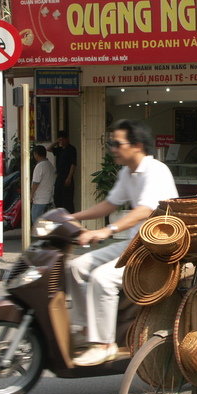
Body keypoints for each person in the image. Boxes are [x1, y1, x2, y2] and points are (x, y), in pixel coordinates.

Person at [67, 119, 178, 366]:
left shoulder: (155, 170)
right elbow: (110, 204)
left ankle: (105, 344)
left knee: (101, 278)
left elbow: (145, 210)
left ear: (137, 145)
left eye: (117, 143)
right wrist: (73, 217)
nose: (113, 148)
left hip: (155, 251)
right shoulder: (127, 173)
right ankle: (88, 329)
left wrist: (107, 230)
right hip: (133, 244)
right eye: (111, 143)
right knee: (75, 267)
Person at [49, 130, 77, 213]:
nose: (61, 141)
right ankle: (60, 216)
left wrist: (69, 177)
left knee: (67, 199)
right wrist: (56, 142)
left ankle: (70, 217)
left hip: (67, 176)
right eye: (60, 140)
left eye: (62, 139)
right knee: (57, 197)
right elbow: (49, 148)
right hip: (59, 176)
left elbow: (73, 164)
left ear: (67, 139)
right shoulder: (59, 149)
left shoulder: (71, 149)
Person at [30, 145, 56, 222]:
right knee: (46, 224)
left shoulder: (39, 166)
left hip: (39, 199)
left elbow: (35, 183)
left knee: (36, 223)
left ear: (36, 154)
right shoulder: (50, 165)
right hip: (49, 198)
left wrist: (31, 196)